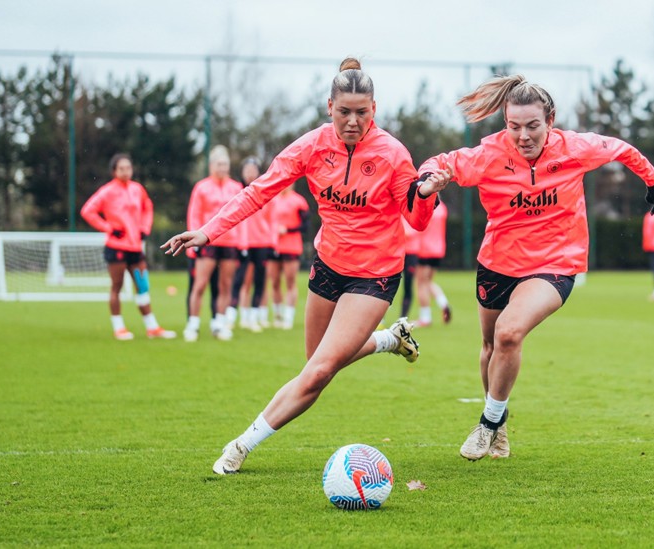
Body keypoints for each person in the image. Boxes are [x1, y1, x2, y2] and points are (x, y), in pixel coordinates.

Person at [161, 58, 449, 475]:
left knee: (316, 375)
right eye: (344, 111)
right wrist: (208, 231)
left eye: (362, 112)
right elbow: (259, 191)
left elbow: (417, 220)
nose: (353, 121)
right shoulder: (311, 146)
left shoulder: (391, 153)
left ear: (375, 109)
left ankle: (241, 444)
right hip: (329, 266)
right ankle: (388, 341)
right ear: (329, 106)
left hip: (375, 274)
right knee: (317, 362)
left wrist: (425, 193)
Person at [418, 74, 654, 461]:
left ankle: (487, 423)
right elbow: (440, 163)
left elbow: (620, 148)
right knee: (489, 345)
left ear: (551, 120)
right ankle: (498, 424)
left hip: (555, 262)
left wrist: (652, 180)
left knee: (510, 334)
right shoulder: (488, 155)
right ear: (505, 124)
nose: (524, 136)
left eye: (533, 126)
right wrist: (428, 179)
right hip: (498, 262)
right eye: (514, 127)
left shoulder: (575, 148)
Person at [80, 154, 176, 340]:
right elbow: (87, 211)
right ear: (114, 171)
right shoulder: (107, 191)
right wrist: (108, 228)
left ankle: (152, 327)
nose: (125, 171)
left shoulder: (137, 189)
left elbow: (148, 208)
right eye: (121, 168)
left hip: (135, 247)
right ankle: (119, 327)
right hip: (116, 247)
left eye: (128, 168)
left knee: (142, 285)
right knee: (117, 286)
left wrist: (144, 228)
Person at [184, 145, 243, 341]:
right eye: (219, 164)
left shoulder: (235, 187)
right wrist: (193, 243)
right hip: (207, 242)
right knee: (200, 284)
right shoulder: (202, 187)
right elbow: (194, 214)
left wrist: (242, 243)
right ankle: (192, 324)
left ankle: (219, 323)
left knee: (226, 285)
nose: (223, 168)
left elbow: (242, 215)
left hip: (229, 242)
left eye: (225, 164)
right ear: (211, 165)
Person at [229, 157, 277, 332]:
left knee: (260, 280)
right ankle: (232, 316)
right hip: (243, 243)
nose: (250, 173)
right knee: (239, 280)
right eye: (247, 169)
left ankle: (254, 317)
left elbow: (272, 220)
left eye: (253, 169)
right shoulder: (236, 192)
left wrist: (273, 243)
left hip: (262, 242)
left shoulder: (265, 192)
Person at [270, 184, 311, 329]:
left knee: (290, 281)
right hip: (274, 245)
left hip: (291, 246)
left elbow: (306, 225)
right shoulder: (273, 200)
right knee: (274, 281)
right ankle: (277, 314)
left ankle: (288, 317)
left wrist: (287, 229)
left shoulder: (298, 201)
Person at [414, 197, 452, 326]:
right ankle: (443, 302)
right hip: (439, 249)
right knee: (428, 281)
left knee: (420, 283)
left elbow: (418, 226)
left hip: (424, 249)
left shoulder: (426, 207)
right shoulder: (442, 208)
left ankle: (425, 317)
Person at [400, 217, 422, 318]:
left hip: (411, 254)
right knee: (385, 284)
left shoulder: (413, 214)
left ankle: (403, 318)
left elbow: (410, 232)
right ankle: (381, 319)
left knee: (408, 286)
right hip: (398, 252)